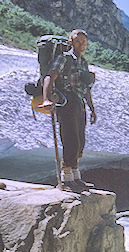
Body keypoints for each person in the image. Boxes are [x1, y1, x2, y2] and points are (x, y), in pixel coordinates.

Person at [42, 29, 97, 192]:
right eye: (78, 42)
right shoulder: (64, 58)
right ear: (70, 43)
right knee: (70, 138)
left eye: (84, 43)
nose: (82, 45)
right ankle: (66, 180)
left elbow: (86, 88)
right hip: (67, 101)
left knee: (79, 140)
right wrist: (46, 98)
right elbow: (49, 77)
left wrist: (92, 108)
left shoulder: (83, 62)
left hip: (79, 102)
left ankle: (75, 177)